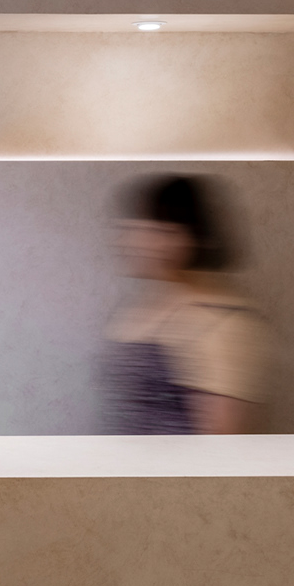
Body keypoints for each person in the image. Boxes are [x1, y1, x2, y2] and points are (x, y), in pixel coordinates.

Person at [105, 174, 268, 434]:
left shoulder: (220, 322)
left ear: (178, 236)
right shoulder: (146, 306)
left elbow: (222, 438)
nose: (124, 240)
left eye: (139, 227)